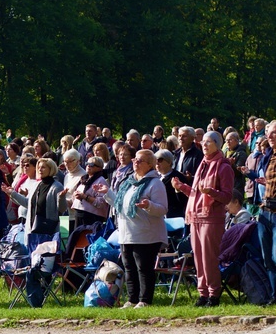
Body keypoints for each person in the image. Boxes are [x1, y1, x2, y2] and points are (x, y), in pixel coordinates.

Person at [96, 149, 168, 307]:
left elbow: (162, 209)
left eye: (140, 160)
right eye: (135, 159)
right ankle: (132, 299)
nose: (135, 162)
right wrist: (107, 192)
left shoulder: (155, 183)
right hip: (127, 232)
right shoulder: (129, 182)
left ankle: (144, 300)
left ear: (150, 165)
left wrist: (149, 205)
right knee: (129, 268)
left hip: (146, 234)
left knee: (143, 268)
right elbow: (120, 205)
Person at [172, 131, 234, 307]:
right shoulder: (203, 164)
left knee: (209, 258)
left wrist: (211, 192)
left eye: (208, 142)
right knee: (198, 258)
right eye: (203, 142)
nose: (204, 145)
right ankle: (203, 293)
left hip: (212, 218)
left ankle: (214, 295)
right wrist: (182, 187)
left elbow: (227, 197)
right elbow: (196, 192)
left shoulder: (223, 166)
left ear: (217, 144)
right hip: (196, 216)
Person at [257, 121, 276, 299]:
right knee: (267, 259)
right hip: (265, 211)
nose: (270, 136)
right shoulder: (268, 156)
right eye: (269, 132)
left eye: (274, 133)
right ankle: (273, 295)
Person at [72, 156, 109, 228]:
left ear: (99, 168)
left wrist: (84, 197)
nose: (88, 166)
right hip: (79, 214)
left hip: (91, 217)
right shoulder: (84, 178)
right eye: (87, 163)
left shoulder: (101, 180)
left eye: (92, 165)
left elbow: (101, 203)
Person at [154, 149, 187, 218]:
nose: (157, 163)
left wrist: (177, 190)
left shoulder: (177, 177)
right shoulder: (154, 177)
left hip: (173, 216)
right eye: (155, 160)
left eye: (160, 160)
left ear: (169, 162)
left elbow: (183, 201)